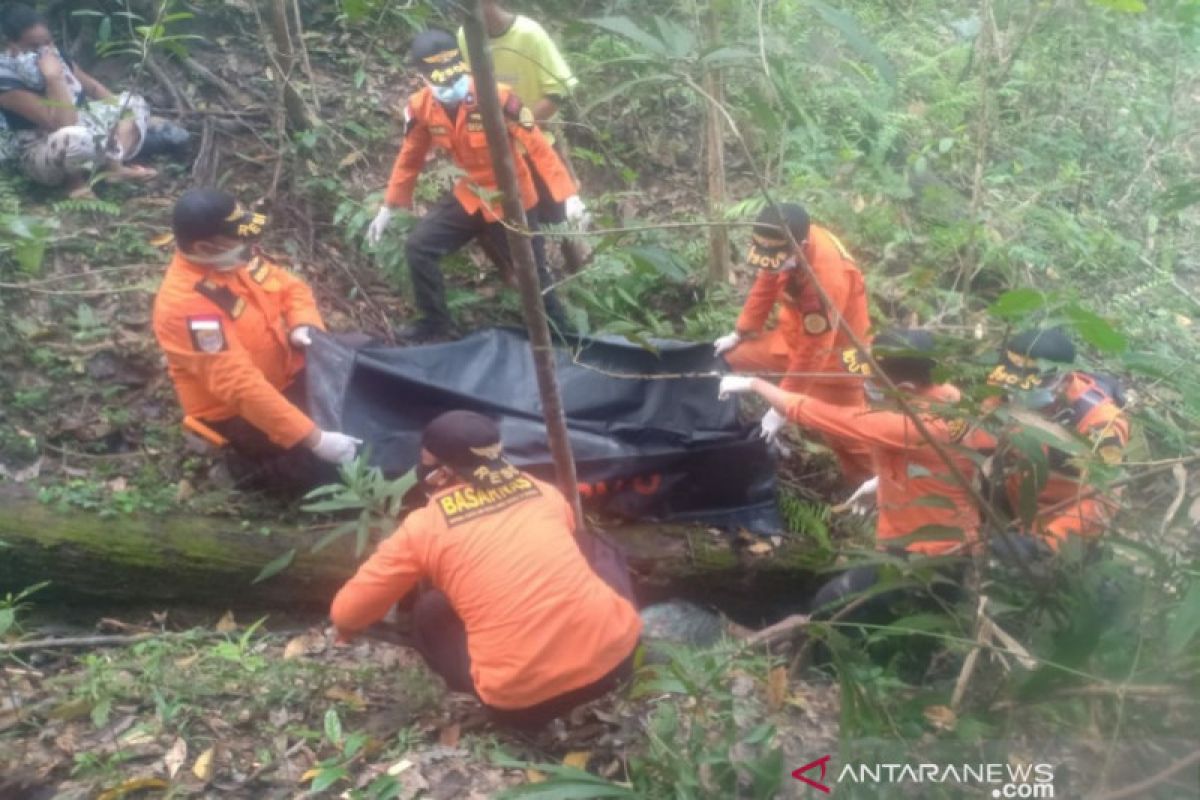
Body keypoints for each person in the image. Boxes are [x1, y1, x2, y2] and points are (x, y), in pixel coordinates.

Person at [330, 411, 642, 729]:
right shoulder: (544, 492)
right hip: (617, 664)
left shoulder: (425, 527)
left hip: (523, 704)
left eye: (425, 459)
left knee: (430, 610)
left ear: (442, 470)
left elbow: (347, 614)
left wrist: (344, 632)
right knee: (591, 545)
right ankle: (607, 630)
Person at [718, 329, 980, 614]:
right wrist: (883, 483)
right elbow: (944, 460)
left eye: (875, 379)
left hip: (923, 554)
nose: (867, 383)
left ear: (904, 389)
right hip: (950, 537)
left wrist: (756, 385)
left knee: (831, 606)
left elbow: (828, 416)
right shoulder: (952, 398)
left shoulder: (906, 425)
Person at [365, 29, 585, 342]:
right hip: (472, 193)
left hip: (513, 198)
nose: (450, 85)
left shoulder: (498, 96)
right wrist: (389, 205)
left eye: (453, 77)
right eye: (440, 80)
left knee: (532, 275)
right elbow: (410, 156)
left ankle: (564, 337)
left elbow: (536, 144)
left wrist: (568, 197)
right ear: (423, 77)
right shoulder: (420, 107)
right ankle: (436, 323)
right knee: (419, 246)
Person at [152, 188, 361, 494]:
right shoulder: (185, 307)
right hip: (240, 412)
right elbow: (240, 386)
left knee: (363, 363)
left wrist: (303, 325)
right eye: (237, 237)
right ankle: (247, 469)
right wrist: (314, 438)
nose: (247, 243)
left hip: (288, 370)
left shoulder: (236, 257)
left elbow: (292, 289)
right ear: (205, 246)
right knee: (325, 471)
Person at [713, 203, 873, 484]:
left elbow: (816, 351)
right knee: (730, 358)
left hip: (837, 360)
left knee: (847, 435)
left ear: (800, 246)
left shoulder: (825, 281)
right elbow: (766, 280)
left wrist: (781, 407)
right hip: (789, 340)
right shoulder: (782, 244)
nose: (772, 264)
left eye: (778, 258)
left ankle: (871, 490)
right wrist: (741, 331)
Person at [455, 0, 588, 272]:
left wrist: (518, 126)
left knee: (557, 215)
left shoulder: (529, 34)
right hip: (495, 151)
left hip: (534, 147)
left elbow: (558, 91)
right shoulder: (465, 34)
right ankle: (532, 275)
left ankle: (576, 268)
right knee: (513, 218)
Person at [984, 327, 1129, 552]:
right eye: (1012, 384)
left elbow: (1104, 499)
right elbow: (977, 433)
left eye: (1029, 386)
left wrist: (1046, 544)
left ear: (1063, 378)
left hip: (1064, 527)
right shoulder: (1005, 384)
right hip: (1014, 503)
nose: (1015, 394)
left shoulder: (1099, 421)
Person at [0, 4, 160, 193]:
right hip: (44, 151)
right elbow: (63, 123)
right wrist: (54, 78)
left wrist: (123, 114)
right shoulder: (6, 80)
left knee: (132, 103)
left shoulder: (56, 56)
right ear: (9, 45)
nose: (45, 52)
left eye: (48, 43)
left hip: (87, 130)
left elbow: (93, 88)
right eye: (34, 46)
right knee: (75, 135)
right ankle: (76, 184)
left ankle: (113, 167)